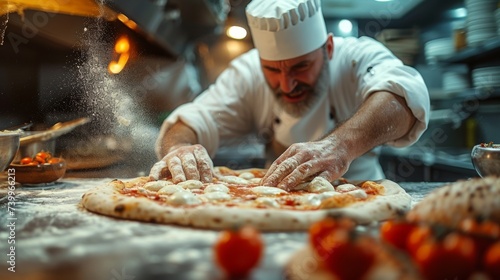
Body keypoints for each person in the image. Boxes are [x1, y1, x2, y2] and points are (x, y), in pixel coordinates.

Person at [149, 0, 430, 191]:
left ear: (328, 49)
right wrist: (179, 149)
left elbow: (405, 94)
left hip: (361, 197)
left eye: (301, 66)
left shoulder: (356, 56)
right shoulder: (247, 72)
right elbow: (193, 119)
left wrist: (340, 146)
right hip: (274, 202)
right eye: (272, 69)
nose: (286, 84)